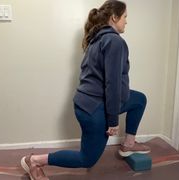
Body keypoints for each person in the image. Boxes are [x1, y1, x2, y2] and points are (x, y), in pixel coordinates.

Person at [21, 0, 150, 179]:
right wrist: (113, 120)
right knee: (86, 159)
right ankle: (34, 161)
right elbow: (111, 84)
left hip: (89, 102)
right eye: (125, 17)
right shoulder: (114, 41)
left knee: (139, 100)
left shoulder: (98, 38)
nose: (126, 21)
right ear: (114, 17)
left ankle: (128, 144)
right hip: (95, 109)